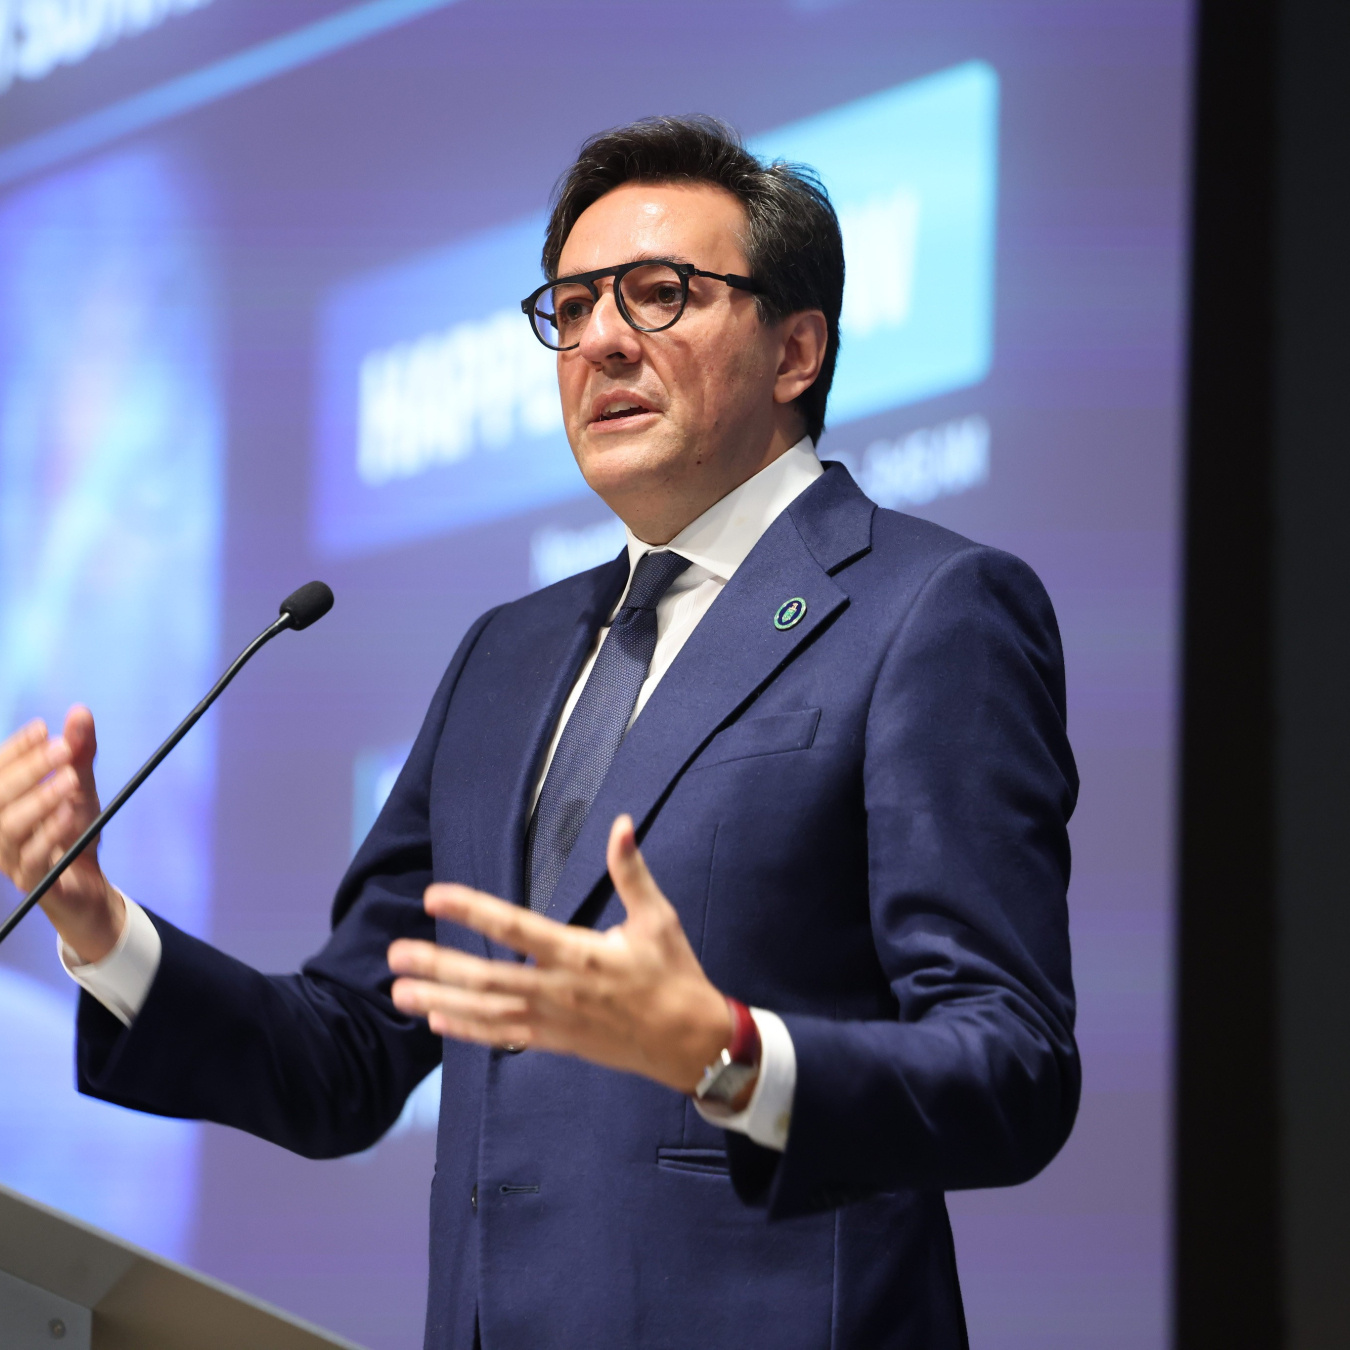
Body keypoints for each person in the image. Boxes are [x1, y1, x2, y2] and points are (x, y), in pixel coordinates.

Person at [0, 116, 1079, 1350]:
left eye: (661, 294)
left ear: (796, 350)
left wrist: (727, 1053)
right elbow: (351, 1052)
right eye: (573, 305)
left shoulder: (929, 612)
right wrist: (96, 924)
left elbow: (1013, 1068)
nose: (605, 337)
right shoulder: (504, 658)